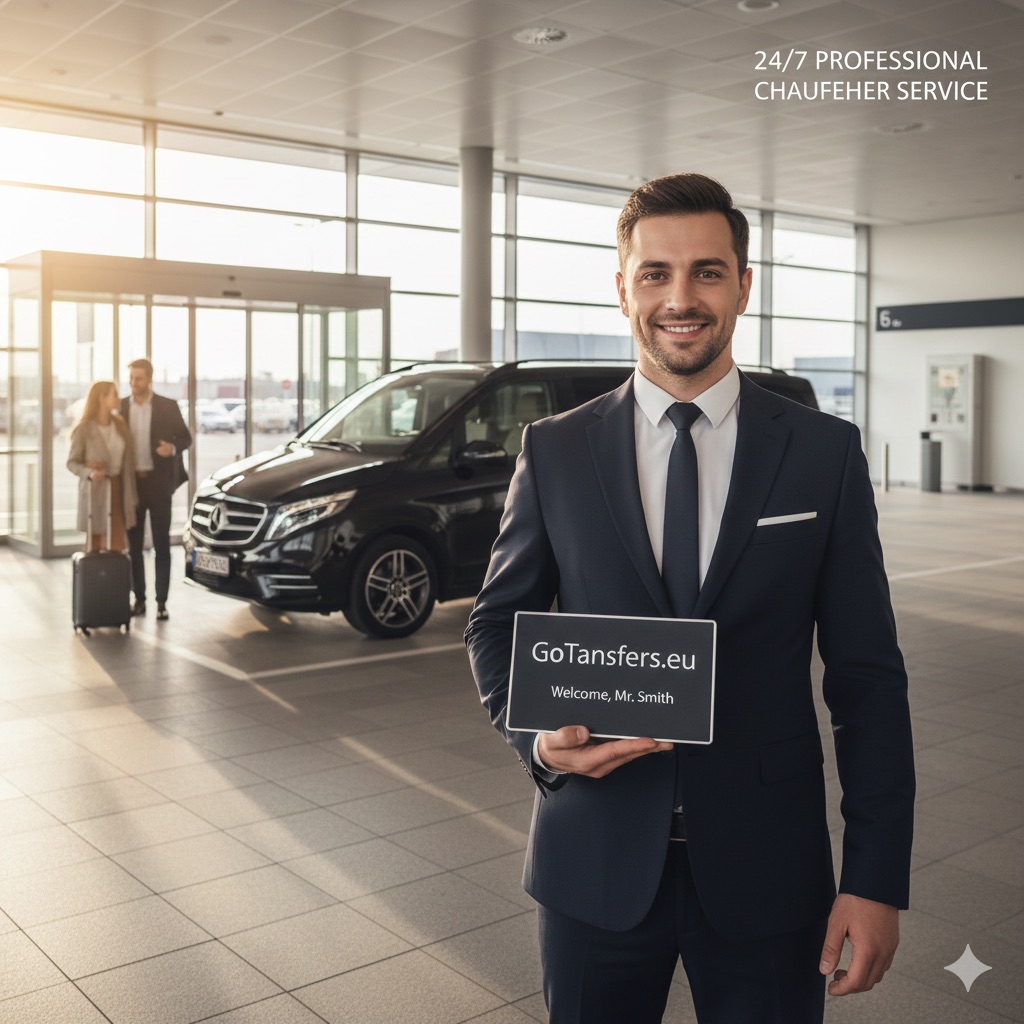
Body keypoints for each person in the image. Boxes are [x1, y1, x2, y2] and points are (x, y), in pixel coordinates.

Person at [465, 173, 915, 1024]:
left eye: (707, 272)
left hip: (768, 868)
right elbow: (494, 623)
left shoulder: (823, 454)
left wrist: (875, 878)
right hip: (592, 858)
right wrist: (537, 739)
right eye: (656, 274)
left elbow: (868, 679)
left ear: (743, 286)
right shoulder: (556, 450)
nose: (680, 298)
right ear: (623, 288)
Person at [121, 358, 191, 621]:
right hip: (132, 486)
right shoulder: (121, 407)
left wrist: (171, 449)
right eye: (131, 378)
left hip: (159, 484)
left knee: (162, 545)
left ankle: (162, 602)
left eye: (138, 378)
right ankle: (139, 599)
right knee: (134, 546)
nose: (134, 383)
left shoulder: (167, 406)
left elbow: (186, 438)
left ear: (149, 379)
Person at [67, 380, 138, 552]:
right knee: (96, 542)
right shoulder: (84, 429)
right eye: (114, 394)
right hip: (96, 489)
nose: (118, 398)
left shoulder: (120, 424)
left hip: (118, 487)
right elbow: (72, 462)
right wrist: (89, 472)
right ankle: (95, 570)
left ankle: (115, 570)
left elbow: (129, 457)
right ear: (101, 398)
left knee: (117, 541)